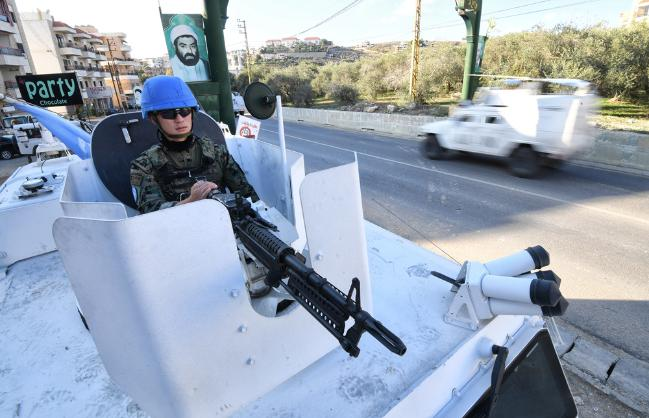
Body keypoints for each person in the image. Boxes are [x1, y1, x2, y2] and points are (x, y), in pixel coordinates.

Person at [130, 75, 258, 214]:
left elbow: (249, 199)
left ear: (192, 112)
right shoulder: (144, 166)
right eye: (168, 113)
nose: (179, 119)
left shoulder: (217, 154)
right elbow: (151, 213)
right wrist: (191, 201)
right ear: (153, 119)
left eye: (184, 111)